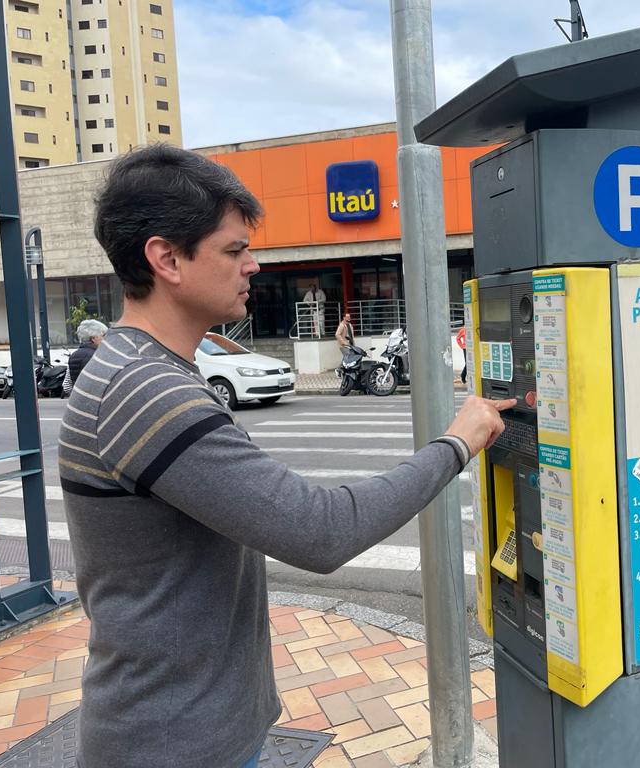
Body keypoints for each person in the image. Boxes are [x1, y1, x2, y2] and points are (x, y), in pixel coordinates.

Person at [58, 144, 514, 768]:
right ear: (166, 258)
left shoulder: (140, 368)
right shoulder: (148, 391)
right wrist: (457, 442)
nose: (253, 264)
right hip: (173, 742)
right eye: (233, 249)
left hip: (181, 726)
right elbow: (321, 530)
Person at [67, 319, 108, 386]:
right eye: (103, 336)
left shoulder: (73, 356)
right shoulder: (99, 356)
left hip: (78, 395)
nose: (106, 339)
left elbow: (67, 387)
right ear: (93, 338)